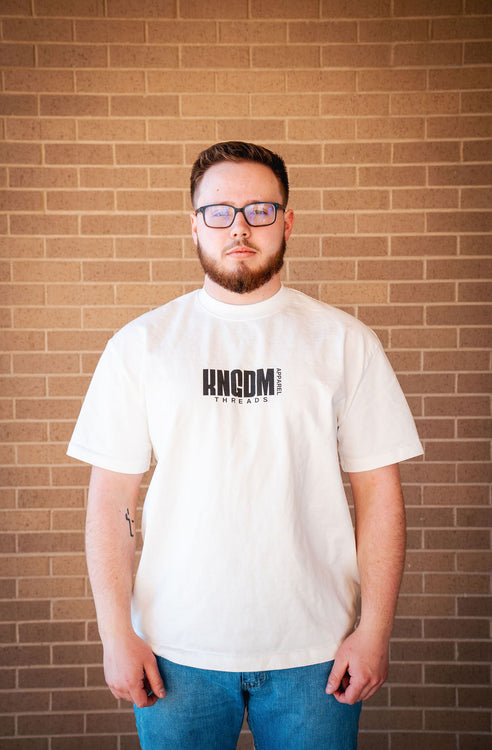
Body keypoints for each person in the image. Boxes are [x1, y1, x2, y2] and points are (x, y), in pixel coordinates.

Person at [67, 141, 423, 749]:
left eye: (260, 210)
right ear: (194, 224)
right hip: (173, 652)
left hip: (317, 653)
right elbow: (111, 501)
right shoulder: (142, 345)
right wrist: (114, 633)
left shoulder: (345, 343)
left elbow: (380, 498)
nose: (239, 227)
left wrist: (375, 631)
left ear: (287, 221)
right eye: (219, 211)